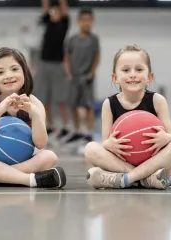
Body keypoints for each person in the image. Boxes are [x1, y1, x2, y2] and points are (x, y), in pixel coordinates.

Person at [0, 47, 66, 189]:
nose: (8, 75)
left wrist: (35, 115)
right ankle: (30, 180)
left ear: (25, 73)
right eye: (0, 72)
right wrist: (0, 109)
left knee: (50, 157)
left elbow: (41, 144)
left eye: (14, 69)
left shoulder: (34, 103)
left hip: (23, 160)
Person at [84, 44, 171, 190]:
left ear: (149, 77)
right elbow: (105, 142)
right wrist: (109, 144)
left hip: (153, 160)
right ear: (115, 78)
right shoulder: (109, 104)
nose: (132, 74)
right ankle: (147, 179)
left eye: (139, 69)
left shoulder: (157, 101)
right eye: (126, 70)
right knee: (90, 148)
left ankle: (125, 179)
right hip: (122, 161)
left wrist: (165, 138)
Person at [63, 8, 100, 147]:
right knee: (73, 104)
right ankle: (77, 130)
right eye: (83, 20)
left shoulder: (94, 39)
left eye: (89, 20)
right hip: (74, 77)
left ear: (92, 22)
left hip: (87, 77)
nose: (86, 23)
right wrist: (68, 73)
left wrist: (92, 72)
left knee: (88, 105)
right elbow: (66, 58)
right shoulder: (72, 40)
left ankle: (89, 132)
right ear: (79, 22)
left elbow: (97, 57)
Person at [35, 0, 70, 141]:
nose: (55, 14)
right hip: (44, 63)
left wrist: (61, 5)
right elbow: (45, 6)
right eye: (52, 11)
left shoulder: (64, 24)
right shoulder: (47, 22)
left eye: (57, 11)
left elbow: (64, 7)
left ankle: (64, 126)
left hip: (58, 64)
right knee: (44, 97)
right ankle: (49, 125)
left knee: (60, 98)